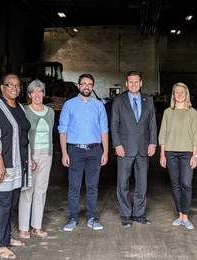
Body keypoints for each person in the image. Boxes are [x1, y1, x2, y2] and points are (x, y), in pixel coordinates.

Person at [0, 73, 32, 259]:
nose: (14, 88)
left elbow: (24, 135)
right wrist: (0, 166)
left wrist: (30, 157)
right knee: (1, 204)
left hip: (17, 165)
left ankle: (6, 237)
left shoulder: (19, 107)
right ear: (1, 87)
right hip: (2, 165)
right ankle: (0, 245)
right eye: (10, 85)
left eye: (17, 85)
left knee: (10, 203)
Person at [58, 73, 109, 231]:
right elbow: (63, 130)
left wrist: (105, 151)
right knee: (74, 186)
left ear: (93, 87)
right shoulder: (69, 105)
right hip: (75, 151)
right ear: (78, 86)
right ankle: (72, 217)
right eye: (84, 84)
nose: (87, 87)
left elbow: (104, 130)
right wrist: (64, 153)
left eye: (90, 84)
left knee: (92, 186)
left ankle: (92, 217)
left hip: (95, 151)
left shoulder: (99, 106)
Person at [111, 71, 157, 228]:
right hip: (124, 147)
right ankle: (125, 214)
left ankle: (139, 213)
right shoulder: (118, 100)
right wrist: (117, 144)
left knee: (142, 182)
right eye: (131, 82)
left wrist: (153, 143)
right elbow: (114, 124)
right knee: (123, 182)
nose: (133, 84)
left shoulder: (148, 100)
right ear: (126, 83)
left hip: (143, 147)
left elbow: (152, 123)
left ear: (141, 83)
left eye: (136, 82)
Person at [158, 82, 197, 230]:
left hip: (187, 153)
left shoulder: (192, 112)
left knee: (186, 184)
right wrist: (162, 154)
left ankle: (186, 216)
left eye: (183, 92)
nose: (180, 95)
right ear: (173, 95)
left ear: (187, 94)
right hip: (170, 152)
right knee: (175, 184)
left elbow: (196, 135)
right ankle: (180, 214)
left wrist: (195, 155)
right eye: (177, 92)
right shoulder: (168, 112)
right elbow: (162, 134)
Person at [18, 79, 55, 239]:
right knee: (27, 190)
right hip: (30, 153)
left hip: (47, 153)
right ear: (29, 95)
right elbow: (22, 136)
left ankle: (37, 226)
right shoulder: (25, 111)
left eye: (40, 91)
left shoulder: (50, 112)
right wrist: (29, 156)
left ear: (44, 93)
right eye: (34, 92)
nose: (37, 94)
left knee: (41, 190)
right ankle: (23, 227)